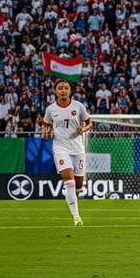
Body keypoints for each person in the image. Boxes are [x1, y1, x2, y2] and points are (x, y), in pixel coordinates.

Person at [43, 79, 92, 226]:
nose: (63, 91)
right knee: (69, 182)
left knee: (78, 185)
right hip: (60, 147)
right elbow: (45, 124)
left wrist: (83, 129)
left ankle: (73, 196)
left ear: (70, 91)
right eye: (60, 88)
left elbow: (89, 122)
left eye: (66, 88)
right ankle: (76, 217)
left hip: (77, 148)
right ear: (55, 91)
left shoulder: (78, 106)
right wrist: (45, 132)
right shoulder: (51, 109)